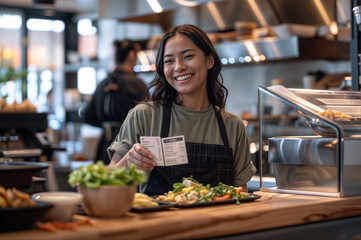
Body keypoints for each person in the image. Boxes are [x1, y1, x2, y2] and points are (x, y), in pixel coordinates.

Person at [108, 24, 256, 195]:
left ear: (210, 60)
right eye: (169, 61)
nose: (178, 67)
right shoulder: (144, 116)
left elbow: (240, 194)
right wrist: (127, 162)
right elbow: (106, 183)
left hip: (218, 221)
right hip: (161, 221)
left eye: (188, 56)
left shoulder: (233, 125)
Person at [81, 39, 148, 164]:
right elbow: (149, 117)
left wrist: (106, 125)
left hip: (104, 145)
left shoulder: (103, 83)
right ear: (131, 56)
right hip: (130, 147)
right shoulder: (136, 83)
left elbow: (86, 115)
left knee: (105, 180)